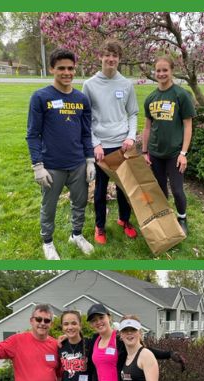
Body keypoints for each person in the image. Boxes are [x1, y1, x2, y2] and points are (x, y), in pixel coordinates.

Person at [26, 48, 95, 260]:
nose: (67, 72)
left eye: (71, 68)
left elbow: (86, 133)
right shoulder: (40, 97)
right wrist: (38, 166)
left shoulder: (81, 99)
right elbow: (33, 134)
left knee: (80, 203)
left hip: (77, 164)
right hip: (52, 166)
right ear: (52, 69)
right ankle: (47, 242)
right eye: (62, 68)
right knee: (49, 206)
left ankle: (77, 235)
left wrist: (90, 160)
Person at [83, 39, 139, 244]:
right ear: (100, 57)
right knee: (100, 190)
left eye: (115, 55)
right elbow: (85, 118)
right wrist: (95, 143)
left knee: (124, 188)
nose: (111, 59)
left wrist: (131, 136)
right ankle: (100, 226)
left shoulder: (126, 84)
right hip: (101, 148)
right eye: (107, 54)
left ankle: (124, 220)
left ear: (119, 59)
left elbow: (133, 113)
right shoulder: (89, 85)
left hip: (122, 145)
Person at [143, 55, 195, 235]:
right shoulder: (150, 98)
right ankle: (165, 217)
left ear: (172, 71)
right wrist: (144, 152)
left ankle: (182, 217)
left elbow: (188, 125)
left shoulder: (181, 95)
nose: (161, 73)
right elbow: (148, 127)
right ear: (154, 72)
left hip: (175, 153)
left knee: (177, 190)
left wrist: (183, 153)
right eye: (158, 70)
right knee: (160, 189)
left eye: (165, 70)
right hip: (156, 152)